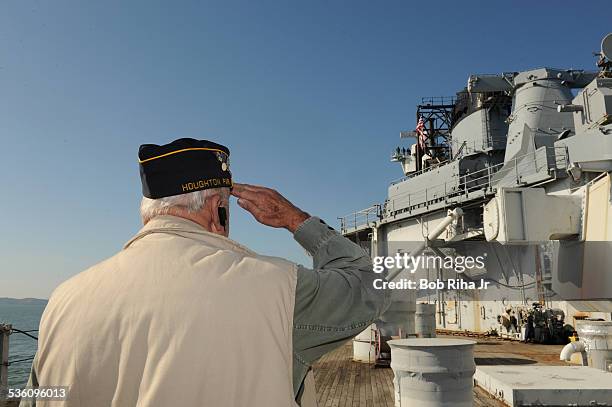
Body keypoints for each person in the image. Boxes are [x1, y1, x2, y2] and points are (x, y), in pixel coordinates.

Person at [21, 138, 391, 407]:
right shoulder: (275, 288)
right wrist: (296, 219)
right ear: (218, 211)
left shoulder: (63, 300)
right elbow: (371, 285)